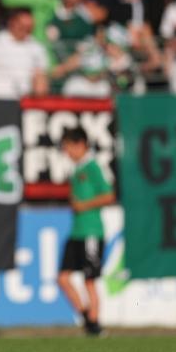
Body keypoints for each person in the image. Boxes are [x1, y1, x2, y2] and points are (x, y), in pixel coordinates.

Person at [58, 126, 114, 337]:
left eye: (69, 147)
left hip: (91, 231)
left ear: (81, 145)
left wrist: (84, 205)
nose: (67, 153)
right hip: (76, 232)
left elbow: (109, 196)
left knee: (89, 279)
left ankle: (95, 323)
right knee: (62, 278)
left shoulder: (92, 167)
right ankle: (87, 319)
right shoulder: (77, 170)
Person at [0, 6, 50, 100]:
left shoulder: (37, 47)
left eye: (28, 28)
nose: (25, 31)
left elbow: (40, 77)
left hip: (26, 100)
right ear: (12, 22)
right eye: (22, 27)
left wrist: (38, 101)